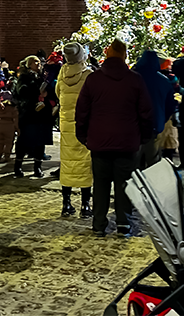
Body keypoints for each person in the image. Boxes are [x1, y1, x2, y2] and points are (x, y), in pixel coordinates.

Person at [75, 39, 153, 238]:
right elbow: (145, 112)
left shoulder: (94, 80)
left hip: (99, 142)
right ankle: (123, 223)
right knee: (125, 183)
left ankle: (99, 223)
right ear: (125, 55)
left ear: (107, 54)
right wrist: (144, 136)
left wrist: (83, 134)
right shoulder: (134, 80)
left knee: (100, 185)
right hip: (127, 142)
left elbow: (82, 110)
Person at [56, 42, 94, 218]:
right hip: (84, 124)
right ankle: (85, 205)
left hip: (66, 124)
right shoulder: (88, 75)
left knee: (67, 163)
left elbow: (58, 93)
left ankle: (66, 204)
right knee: (85, 164)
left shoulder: (62, 73)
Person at [133, 49, 177, 169]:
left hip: (134, 125)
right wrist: (162, 119)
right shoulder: (163, 81)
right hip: (154, 124)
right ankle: (152, 185)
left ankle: (135, 185)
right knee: (153, 161)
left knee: (134, 162)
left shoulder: (132, 78)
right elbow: (170, 105)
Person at [13, 55, 53, 178]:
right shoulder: (24, 77)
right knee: (25, 140)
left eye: (38, 61)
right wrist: (37, 92)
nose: (38, 63)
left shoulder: (43, 76)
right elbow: (21, 92)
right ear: (29, 64)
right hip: (29, 113)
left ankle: (37, 167)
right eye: (34, 61)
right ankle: (18, 166)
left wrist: (47, 94)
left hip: (42, 113)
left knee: (40, 141)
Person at [0, 90, 18, 162]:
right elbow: (16, 118)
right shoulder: (13, 107)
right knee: (9, 141)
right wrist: (17, 128)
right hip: (9, 124)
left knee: (0, 141)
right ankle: (7, 156)